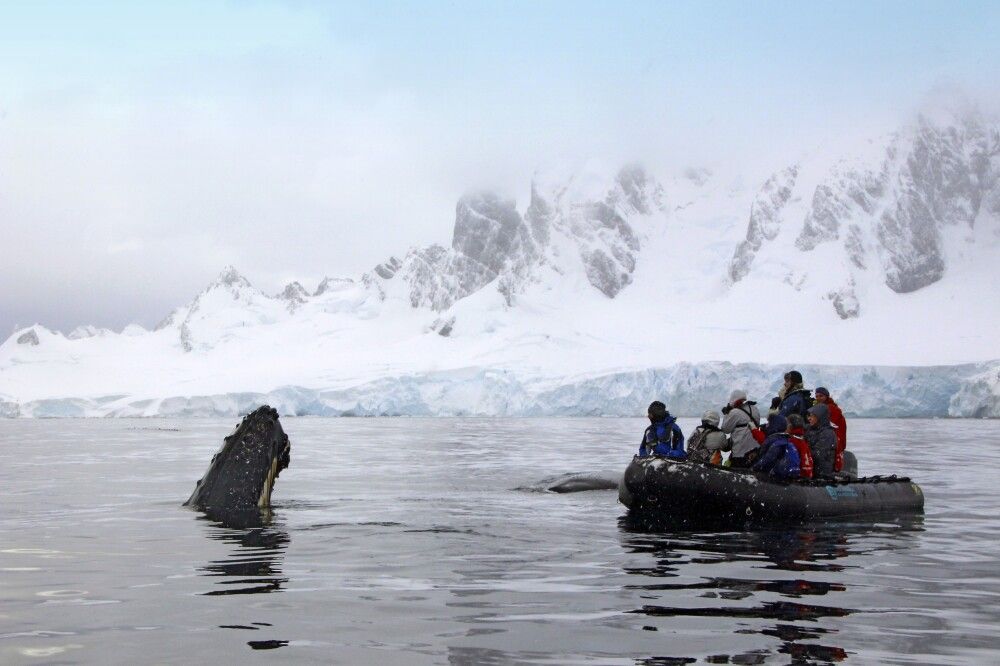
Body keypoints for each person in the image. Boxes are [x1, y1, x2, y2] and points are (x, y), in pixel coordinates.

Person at [752, 414, 800, 480]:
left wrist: (753, 468)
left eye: (769, 423)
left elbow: (766, 461)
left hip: (776, 479)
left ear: (774, 425)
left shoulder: (775, 442)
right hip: (787, 477)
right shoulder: (786, 441)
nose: (766, 425)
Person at [721, 389, 761, 468]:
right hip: (755, 451)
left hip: (740, 453)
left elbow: (725, 429)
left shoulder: (734, 412)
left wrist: (727, 413)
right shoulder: (754, 408)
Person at [815, 387, 847, 472]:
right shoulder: (823, 408)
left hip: (833, 443)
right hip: (834, 442)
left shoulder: (831, 409)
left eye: (821, 396)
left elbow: (826, 426)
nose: (818, 398)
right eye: (817, 396)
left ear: (826, 396)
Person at [805, 403, 837, 477]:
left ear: (820, 417)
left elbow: (819, 454)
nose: (809, 418)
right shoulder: (809, 429)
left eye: (812, 416)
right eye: (809, 416)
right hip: (811, 471)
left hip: (821, 473)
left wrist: (802, 452)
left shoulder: (827, 433)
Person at [786, 414, 813, 479]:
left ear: (791, 426)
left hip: (798, 479)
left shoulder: (792, 441)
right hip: (807, 475)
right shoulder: (802, 440)